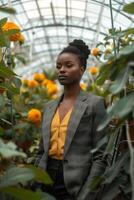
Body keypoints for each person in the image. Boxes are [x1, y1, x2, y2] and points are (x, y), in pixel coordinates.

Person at [34, 39, 107, 200]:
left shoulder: (94, 104)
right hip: (45, 179)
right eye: (59, 66)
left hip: (76, 184)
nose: (62, 70)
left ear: (81, 70)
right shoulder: (49, 107)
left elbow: (100, 157)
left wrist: (87, 193)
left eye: (68, 65)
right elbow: (41, 152)